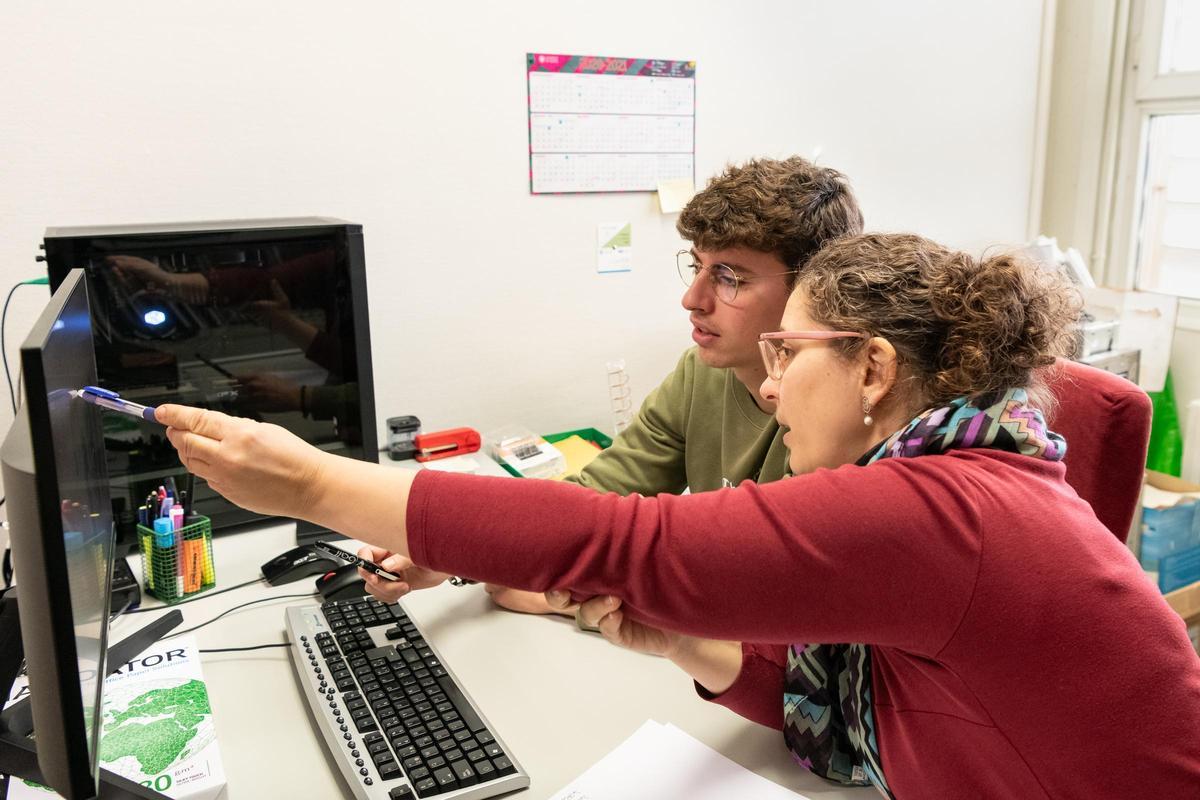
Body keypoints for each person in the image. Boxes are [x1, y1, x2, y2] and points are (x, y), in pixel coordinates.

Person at [156, 232, 1200, 798]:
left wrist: (311, 484)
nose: (768, 386)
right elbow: (845, 703)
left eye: (791, 354)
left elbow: (622, 540)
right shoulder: (960, 475)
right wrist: (697, 645)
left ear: (874, 367)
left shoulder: (948, 508)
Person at [365, 155, 865, 616]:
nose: (692, 299)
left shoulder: (849, 415)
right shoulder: (701, 372)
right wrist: (454, 549)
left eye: (730, 277)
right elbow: (593, 503)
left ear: (816, 290)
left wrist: (557, 600)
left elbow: (760, 593)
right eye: (697, 267)